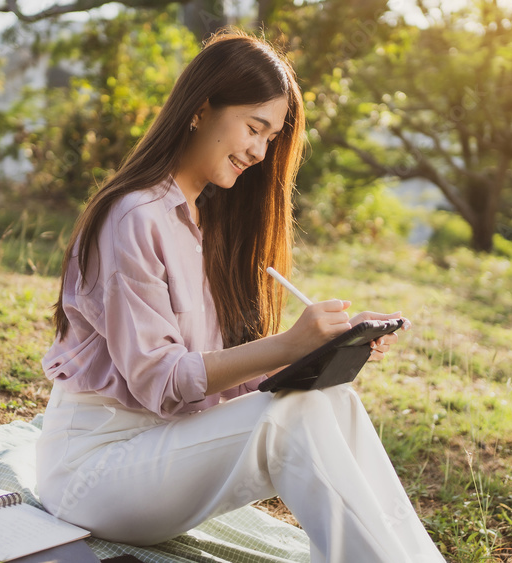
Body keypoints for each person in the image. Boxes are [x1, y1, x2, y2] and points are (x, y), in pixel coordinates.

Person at [35, 29, 445, 563]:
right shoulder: (134, 217)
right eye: (255, 128)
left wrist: (323, 348)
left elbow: (227, 379)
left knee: (332, 399)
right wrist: (287, 346)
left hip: (165, 452)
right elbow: (162, 379)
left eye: (271, 138)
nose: (259, 151)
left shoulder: (206, 224)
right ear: (202, 109)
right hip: (94, 471)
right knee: (289, 419)